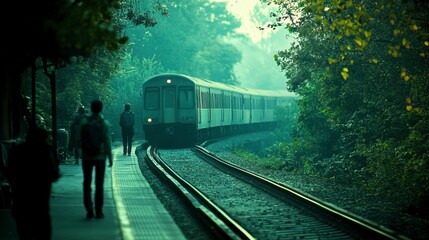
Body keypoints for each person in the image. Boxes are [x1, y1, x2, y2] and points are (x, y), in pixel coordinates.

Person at [7, 126, 60, 239]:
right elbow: (54, 174)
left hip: (21, 191)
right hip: (41, 191)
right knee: (42, 218)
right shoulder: (47, 150)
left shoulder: (18, 149)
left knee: (23, 223)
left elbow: (9, 171)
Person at [78, 99, 113, 219]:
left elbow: (78, 139)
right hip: (100, 157)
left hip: (87, 157)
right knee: (99, 184)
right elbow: (107, 142)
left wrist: (79, 152)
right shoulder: (104, 123)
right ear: (101, 109)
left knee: (87, 183)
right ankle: (99, 211)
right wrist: (110, 157)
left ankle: (89, 209)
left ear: (91, 108)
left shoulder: (84, 122)